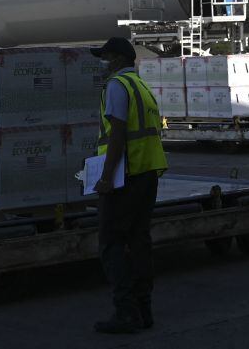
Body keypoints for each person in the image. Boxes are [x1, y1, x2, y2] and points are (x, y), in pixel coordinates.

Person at [90, 37, 168, 334]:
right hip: (148, 172)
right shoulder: (142, 86)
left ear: (119, 59)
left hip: (127, 175)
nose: (104, 64)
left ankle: (125, 311)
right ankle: (143, 309)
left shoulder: (117, 87)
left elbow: (118, 134)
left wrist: (107, 177)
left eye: (107, 58)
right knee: (139, 241)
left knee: (111, 243)